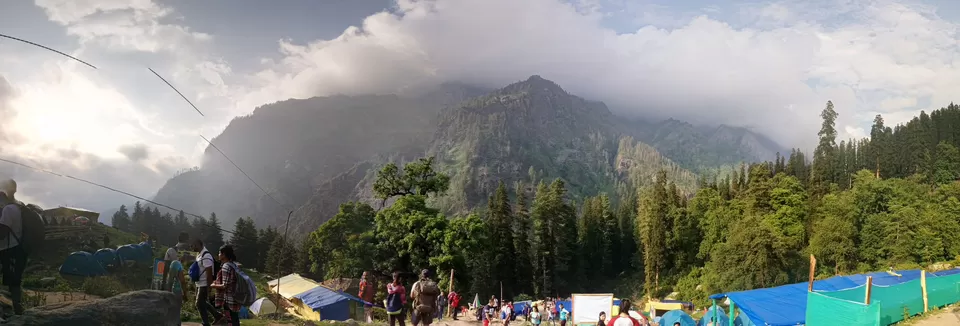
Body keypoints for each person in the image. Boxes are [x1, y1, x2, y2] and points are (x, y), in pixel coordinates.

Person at [0, 179, 25, 317]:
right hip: (17, 248)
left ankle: (16, 312)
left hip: (9, 249)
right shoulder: (19, 206)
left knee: (13, 282)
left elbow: (2, 234)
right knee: (14, 280)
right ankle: (17, 310)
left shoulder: (8, 209)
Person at [192, 238, 222, 326]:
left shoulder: (206, 255)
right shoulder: (199, 255)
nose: (192, 247)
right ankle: (217, 316)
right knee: (202, 302)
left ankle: (206, 323)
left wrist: (210, 287)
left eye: (194, 245)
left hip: (204, 284)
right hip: (199, 283)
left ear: (199, 245)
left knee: (199, 303)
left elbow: (209, 272)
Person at [212, 245, 240, 326]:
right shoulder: (233, 265)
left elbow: (225, 285)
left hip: (228, 300)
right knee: (235, 320)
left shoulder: (226, 266)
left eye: (219, 253)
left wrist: (214, 285)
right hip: (235, 298)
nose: (218, 255)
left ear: (224, 254)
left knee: (230, 321)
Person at [167, 252, 190, 319]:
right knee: (177, 312)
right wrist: (185, 294)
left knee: (171, 310)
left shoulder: (173, 263)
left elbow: (170, 279)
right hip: (178, 291)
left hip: (171, 290)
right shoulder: (179, 265)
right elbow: (182, 281)